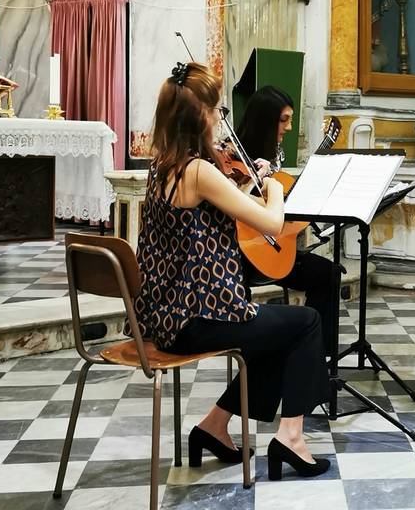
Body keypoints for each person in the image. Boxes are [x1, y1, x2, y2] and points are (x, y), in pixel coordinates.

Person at [133, 63, 330, 479]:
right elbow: (272, 223)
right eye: (216, 110)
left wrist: (245, 184)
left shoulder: (163, 165)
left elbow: (214, 211)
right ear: (199, 116)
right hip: (199, 318)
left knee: (273, 334)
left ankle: (214, 427)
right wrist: (274, 186)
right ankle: (291, 436)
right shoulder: (200, 171)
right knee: (306, 322)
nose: (219, 119)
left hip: (163, 316)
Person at [235, 85, 340, 351]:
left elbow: (280, 210)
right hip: (239, 254)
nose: (290, 127)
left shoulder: (275, 154)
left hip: (271, 246)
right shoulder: (234, 155)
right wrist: (269, 194)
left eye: (290, 119)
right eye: (284, 120)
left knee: (329, 274)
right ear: (265, 120)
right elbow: (235, 201)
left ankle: (318, 359)